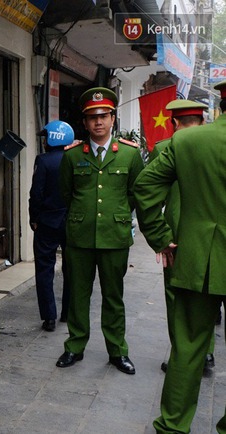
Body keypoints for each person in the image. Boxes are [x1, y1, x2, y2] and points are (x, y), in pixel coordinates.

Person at [134, 80, 226, 434]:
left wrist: (160, 238)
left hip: (196, 259)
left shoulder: (185, 141)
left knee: (187, 348)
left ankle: (172, 426)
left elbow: (144, 187)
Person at [55, 87, 144, 374]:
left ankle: (117, 351)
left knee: (113, 296)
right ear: (84, 122)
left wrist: (116, 216)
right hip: (79, 237)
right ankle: (75, 346)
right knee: (78, 295)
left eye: (103, 116)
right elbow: (65, 194)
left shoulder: (129, 155)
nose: (98, 122)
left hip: (114, 237)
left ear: (113, 118)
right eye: (92, 117)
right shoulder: (71, 156)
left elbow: (135, 193)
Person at [147, 99, 214, 374]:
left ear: (174, 123)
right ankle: (206, 354)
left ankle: (181, 357)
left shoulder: (165, 148)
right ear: (203, 121)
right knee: (208, 295)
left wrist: (159, 236)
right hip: (211, 234)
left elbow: (150, 194)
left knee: (176, 298)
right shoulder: (214, 145)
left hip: (174, 234)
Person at [29, 120, 73, 332]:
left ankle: (49, 318)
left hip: (47, 222)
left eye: (46, 137)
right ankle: (68, 312)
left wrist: (34, 217)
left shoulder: (43, 160)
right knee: (71, 269)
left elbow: (36, 193)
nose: (44, 141)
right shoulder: (76, 158)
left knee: (45, 269)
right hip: (72, 221)